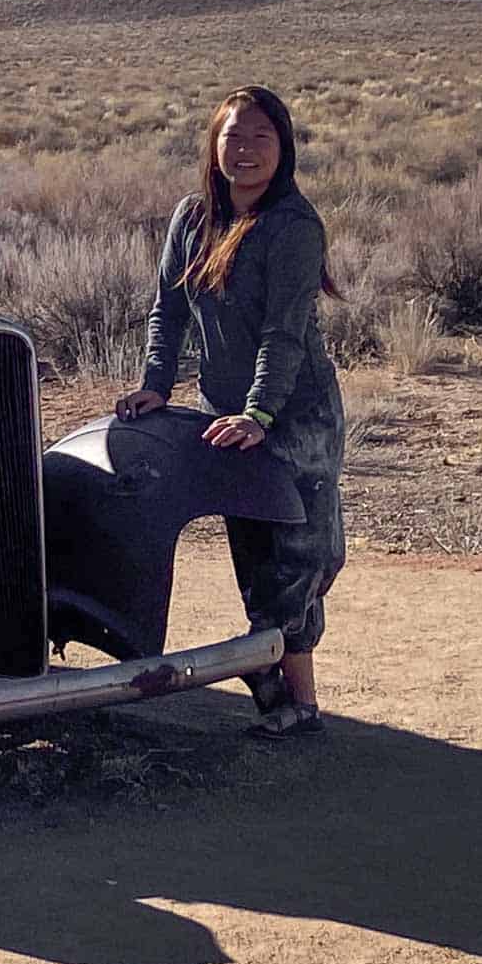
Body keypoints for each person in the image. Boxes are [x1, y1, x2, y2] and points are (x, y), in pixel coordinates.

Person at [115, 85, 345, 740]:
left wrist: (261, 415)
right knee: (264, 554)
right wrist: (156, 384)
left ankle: (266, 664)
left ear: (284, 149)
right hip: (230, 417)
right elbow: (169, 309)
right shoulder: (191, 219)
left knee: (312, 558)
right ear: (213, 147)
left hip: (296, 418)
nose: (244, 151)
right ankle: (293, 704)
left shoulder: (294, 226)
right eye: (233, 137)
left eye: (260, 138)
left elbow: (284, 333)